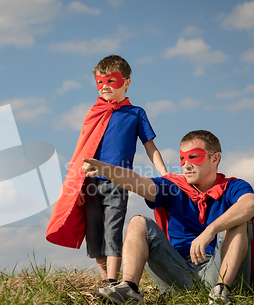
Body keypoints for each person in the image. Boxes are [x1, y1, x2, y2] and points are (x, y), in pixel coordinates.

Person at [82, 130, 254, 305]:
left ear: (215, 158)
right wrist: (107, 169)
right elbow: (137, 182)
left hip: (220, 272)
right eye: (182, 159)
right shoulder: (173, 186)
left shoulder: (233, 186)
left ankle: (221, 292)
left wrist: (211, 230)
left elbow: (251, 204)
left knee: (240, 221)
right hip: (179, 274)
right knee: (138, 222)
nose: (186, 165)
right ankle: (129, 289)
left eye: (194, 157)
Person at [46, 55, 168, 285]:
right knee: (95, 232)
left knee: (113, 228)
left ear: (126, 82)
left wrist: (164, 173)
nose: (104, 87)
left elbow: (150, 146)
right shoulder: (94, 112)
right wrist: (78, 182)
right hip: (91, 181)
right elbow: (84, 146)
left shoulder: (136, 113)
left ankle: (113, 281)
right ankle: (104, 281)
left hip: (118, 182)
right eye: (99, 82)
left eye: (111, 81)